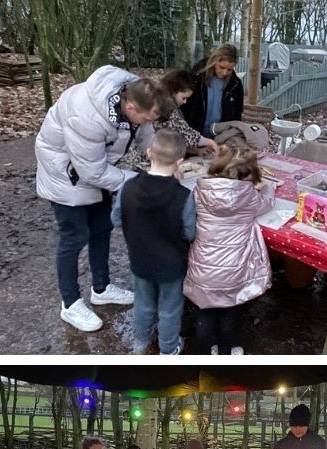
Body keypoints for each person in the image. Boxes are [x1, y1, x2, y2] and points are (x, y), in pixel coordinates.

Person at [35, 66, 167, 332]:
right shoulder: (85, 117)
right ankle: (70, 304)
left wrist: (160, 158)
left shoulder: (135, 97)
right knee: (75, 236)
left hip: (97, 168)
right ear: (130, 107)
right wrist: (139, 179)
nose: (147, 123)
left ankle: (102, 287)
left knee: (102, 228)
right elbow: (92, 172)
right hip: (66, 174)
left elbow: (144, 133)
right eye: (146, 117)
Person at [112, 128, 198, 355]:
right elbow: (190, 233)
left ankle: (140, 343)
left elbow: (116, 218)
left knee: (143, 304)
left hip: (140, 261)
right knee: (170, 309)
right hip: (172, 267)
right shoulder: (184, 196)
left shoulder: (126, 187)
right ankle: (168, 350)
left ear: (149, 152)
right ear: (180, 161)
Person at [184, 146, 274, 355]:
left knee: (205, 313)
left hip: (204, 267)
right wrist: (267, 187)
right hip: (234, 269)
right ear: (249, 174)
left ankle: (204, 355)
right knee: (229, 312)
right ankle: (225, 352)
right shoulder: (249, 196)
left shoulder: (200, 190)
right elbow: (267, 204)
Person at [120, 69, 219, 170]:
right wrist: (205, 141)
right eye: (183, 98)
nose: (185, 102)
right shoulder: (165, 107)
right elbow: (181, 131)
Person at [182, 44, 244, 141]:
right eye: (222, 67)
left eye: (229, 70)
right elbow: (184, 108)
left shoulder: (235, 85)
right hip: (193, 135)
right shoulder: (196, 78)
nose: (224, 73)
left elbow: (237, 116)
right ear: (214, 61)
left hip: (221, 138)